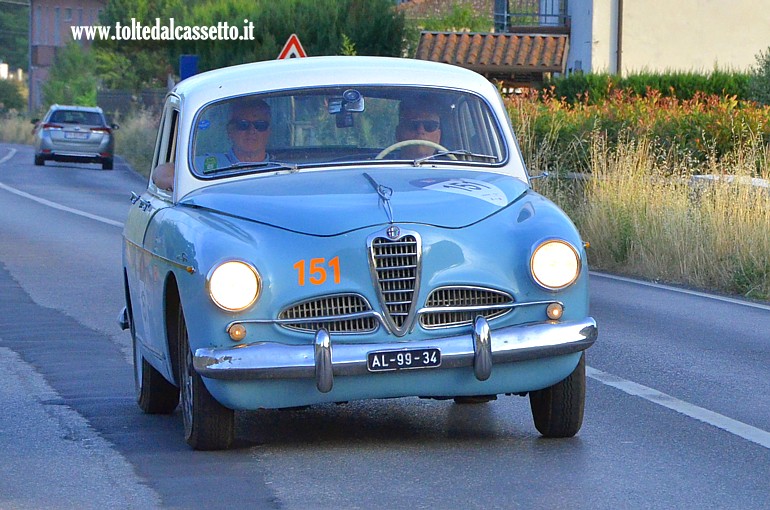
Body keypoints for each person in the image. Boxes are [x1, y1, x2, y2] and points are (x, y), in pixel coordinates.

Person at [154, 98, 272, 191]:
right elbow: (162, 171)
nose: (252, 131)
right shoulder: (209, 164)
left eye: (260, 125)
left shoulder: (280, 167)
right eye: (243, 125)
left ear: (269, 132)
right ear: (230, 130)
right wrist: (173, 182)